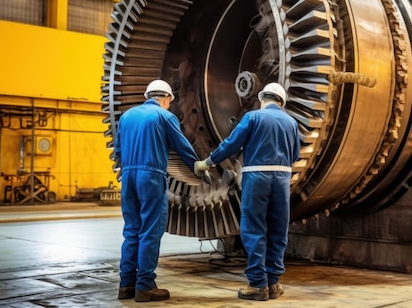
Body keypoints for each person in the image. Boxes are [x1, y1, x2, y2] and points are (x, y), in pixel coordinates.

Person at [195, 82, 300, 301]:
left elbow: (232, 144)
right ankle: (273, 282)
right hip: (282, 178)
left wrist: (208, 162)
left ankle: (257, 284)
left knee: (254, 228)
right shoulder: (291, 122)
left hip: (257, 176)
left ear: (263, 99)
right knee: (277, 229)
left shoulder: (253, 118)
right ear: (281, 102)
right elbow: (295, 154)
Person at [115, 79, 203, 302]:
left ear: (148, 96)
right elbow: (182, 145)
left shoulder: (126, 117)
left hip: (128, 176)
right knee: (150, 230)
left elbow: (118, 151)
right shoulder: (165, 116)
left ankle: (126, 285)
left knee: (132, 229)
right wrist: (198, 166)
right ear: (166, 99)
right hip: (151, 176)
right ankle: (145, 285)